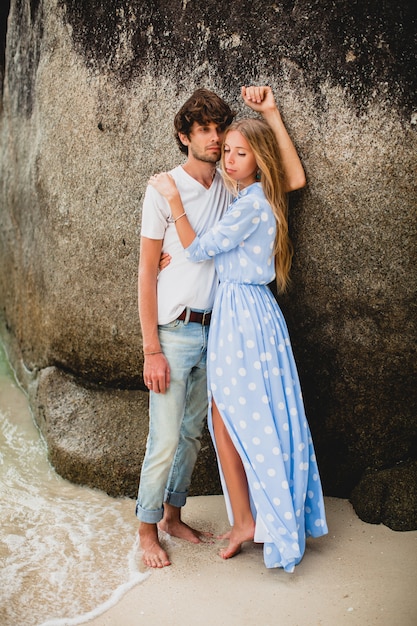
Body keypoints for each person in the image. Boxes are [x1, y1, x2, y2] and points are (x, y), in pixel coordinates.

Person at [149, 98, 328, 573]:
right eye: (226, 150)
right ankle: (249, 518)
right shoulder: (247, 196)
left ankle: (253, 518)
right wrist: (173, 255)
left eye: (239, 153)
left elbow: (201, 246)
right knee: (227, 416)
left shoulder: (252, 202)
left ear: (258, 160)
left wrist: (172, 203)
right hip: (241, 311)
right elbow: (293, 180)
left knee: (237, 415)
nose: (228, 159)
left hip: (243, 314)